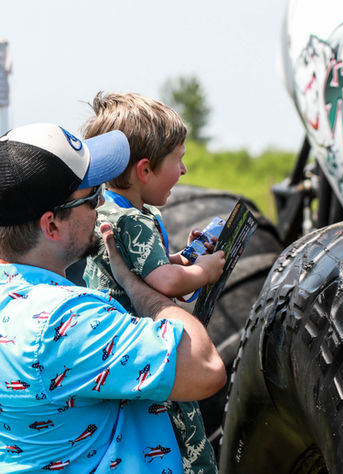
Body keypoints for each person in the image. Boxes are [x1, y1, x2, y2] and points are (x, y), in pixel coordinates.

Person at [0, 123, 226, 473]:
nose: (103, 202)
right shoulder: (65, 321)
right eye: (91, 197)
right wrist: (143, 290)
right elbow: (205, 368)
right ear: (52, 226)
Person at [81, 92, 225, 473]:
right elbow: (164, 280)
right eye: (178, 159)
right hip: (148, 349)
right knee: (184, 432)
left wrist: (184, 258)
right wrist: (204, 271)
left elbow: (153, 269)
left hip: (120, 353)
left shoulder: (108, 209)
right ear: (144, 170)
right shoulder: (134, 220)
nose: (185, 170)